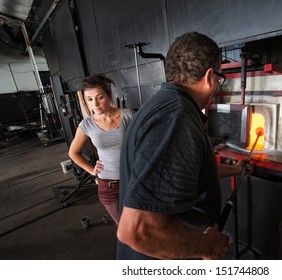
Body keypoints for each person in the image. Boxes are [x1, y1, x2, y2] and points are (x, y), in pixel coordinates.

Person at [117, 32, 253, 260]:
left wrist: (235, 169)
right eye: (221, 79)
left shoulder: (164, 106)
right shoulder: (176, 118)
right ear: (210, 77)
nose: (218, 86)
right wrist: (207, 247)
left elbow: (188, 175)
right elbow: (139, 231)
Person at [68, 74, 135, 225]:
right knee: (124, 228)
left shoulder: (127, 115)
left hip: (132, 182)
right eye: (90, 99)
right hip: (108, 187)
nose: (95, 104)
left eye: (100, 97)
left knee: (141, 225)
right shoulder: (86, 125)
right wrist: (91, 170)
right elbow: (73, 152)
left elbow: (144, 142)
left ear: (109, 95)